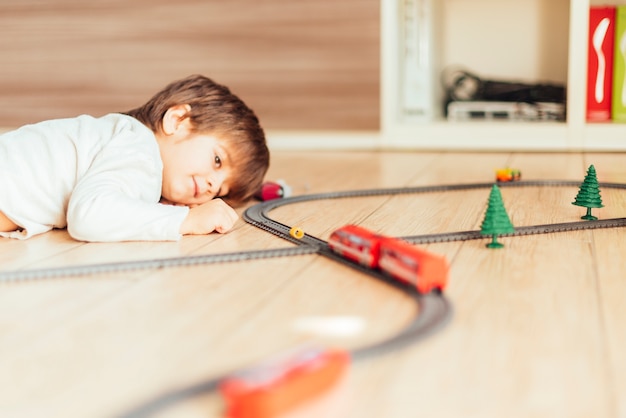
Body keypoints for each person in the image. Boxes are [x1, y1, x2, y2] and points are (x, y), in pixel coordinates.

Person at [0, 74, 269, 242]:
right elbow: (90, 216)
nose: (212, 185)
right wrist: (184, 221)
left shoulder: (124, 137)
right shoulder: (141, 150)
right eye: (218, 161)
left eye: (220, 190)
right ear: (177, 120)